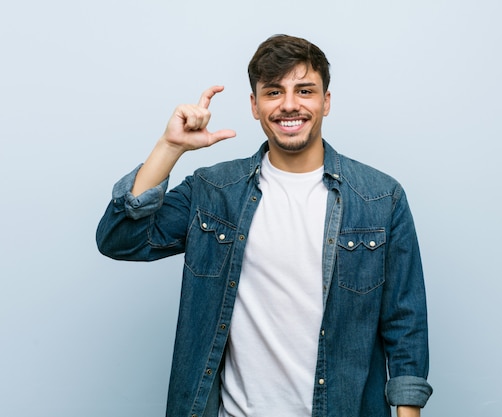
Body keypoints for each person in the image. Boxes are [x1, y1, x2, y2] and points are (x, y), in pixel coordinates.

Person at [96, 34, 432, 417]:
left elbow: (405, 323)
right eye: (274, 92)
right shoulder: (214, 192)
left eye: (304, 90)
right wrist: (170, 148)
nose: (290, 105)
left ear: (326, 102)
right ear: (255, 106)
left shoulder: (379, 198)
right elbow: (119, 239)